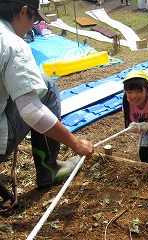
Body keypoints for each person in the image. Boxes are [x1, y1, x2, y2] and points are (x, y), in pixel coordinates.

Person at [0, 0, 94, 199]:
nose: (31, 27)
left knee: (38, 81)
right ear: (23, 12)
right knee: (47, 86)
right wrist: (75, 143)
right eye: (34, 20)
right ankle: (48, 169)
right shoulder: (11, 44)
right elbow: (31, 111)